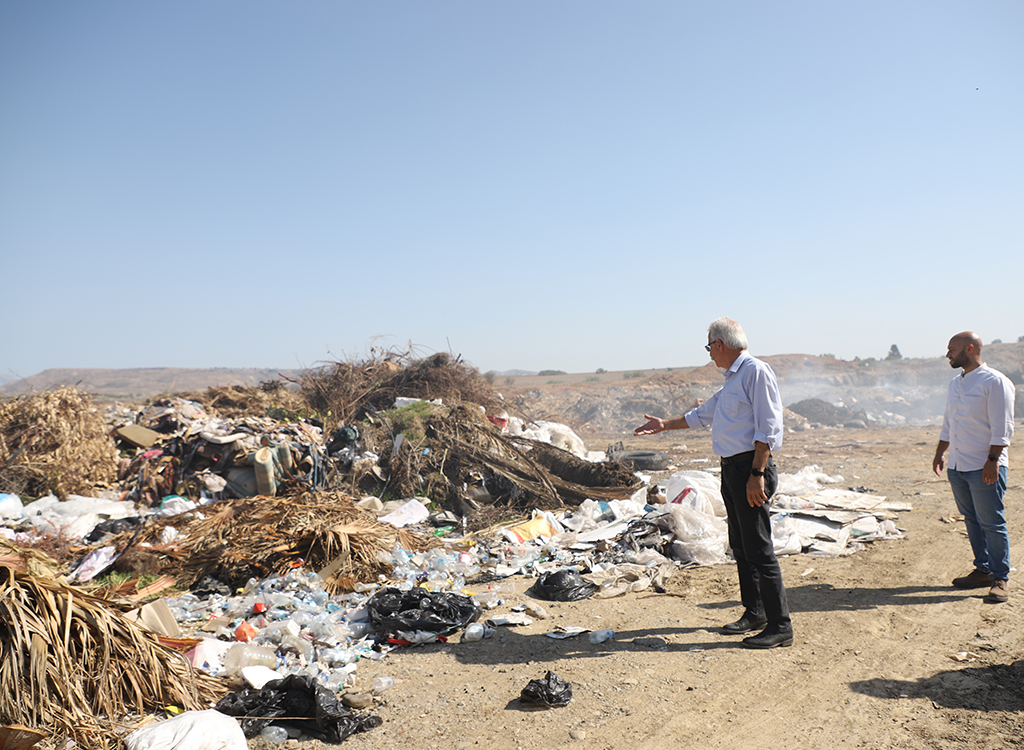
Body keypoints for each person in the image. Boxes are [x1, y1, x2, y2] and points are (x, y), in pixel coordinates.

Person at [634, 317, 792, 648]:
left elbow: (768, 429)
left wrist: (757, 474)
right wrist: (664, 425)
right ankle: (755, 612)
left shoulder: (756, 372)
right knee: (741, 545)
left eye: (709, 347)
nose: (709, 354)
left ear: (719, 344)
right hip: (732, 469)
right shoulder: (733, 380)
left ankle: (780, 626)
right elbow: (701, 415)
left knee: (759, 548)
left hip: (750, 469)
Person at [932, 331, 1015, 604]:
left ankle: (1000, 578)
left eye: (952, 349)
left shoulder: (995, 382)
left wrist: (992, 461)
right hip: (958, 465)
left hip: (984, 466)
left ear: (969, 349)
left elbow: (1003, 427)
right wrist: (940, 453)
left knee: (992, 522)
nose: (948, 354)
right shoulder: (955, 384)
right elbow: (949, 423)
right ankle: (982, 569)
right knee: (971, 519)